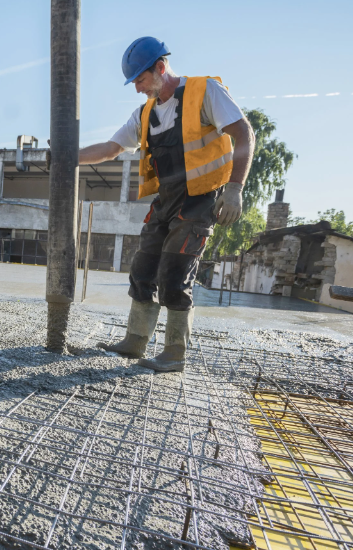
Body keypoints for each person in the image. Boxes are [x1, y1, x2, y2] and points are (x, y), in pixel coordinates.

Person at [82, 37, 255, 372]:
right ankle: (135, 340)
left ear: (161, 68)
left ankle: (175, 352)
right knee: (143, 270)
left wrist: (235, 189)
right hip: (165, 202)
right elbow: (109, 149)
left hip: (200, 200)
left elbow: (244, 133)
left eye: (141, 80)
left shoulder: (205, 93)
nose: (137, 89)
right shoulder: (144, 113)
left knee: (174, 275)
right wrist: (67, 157)